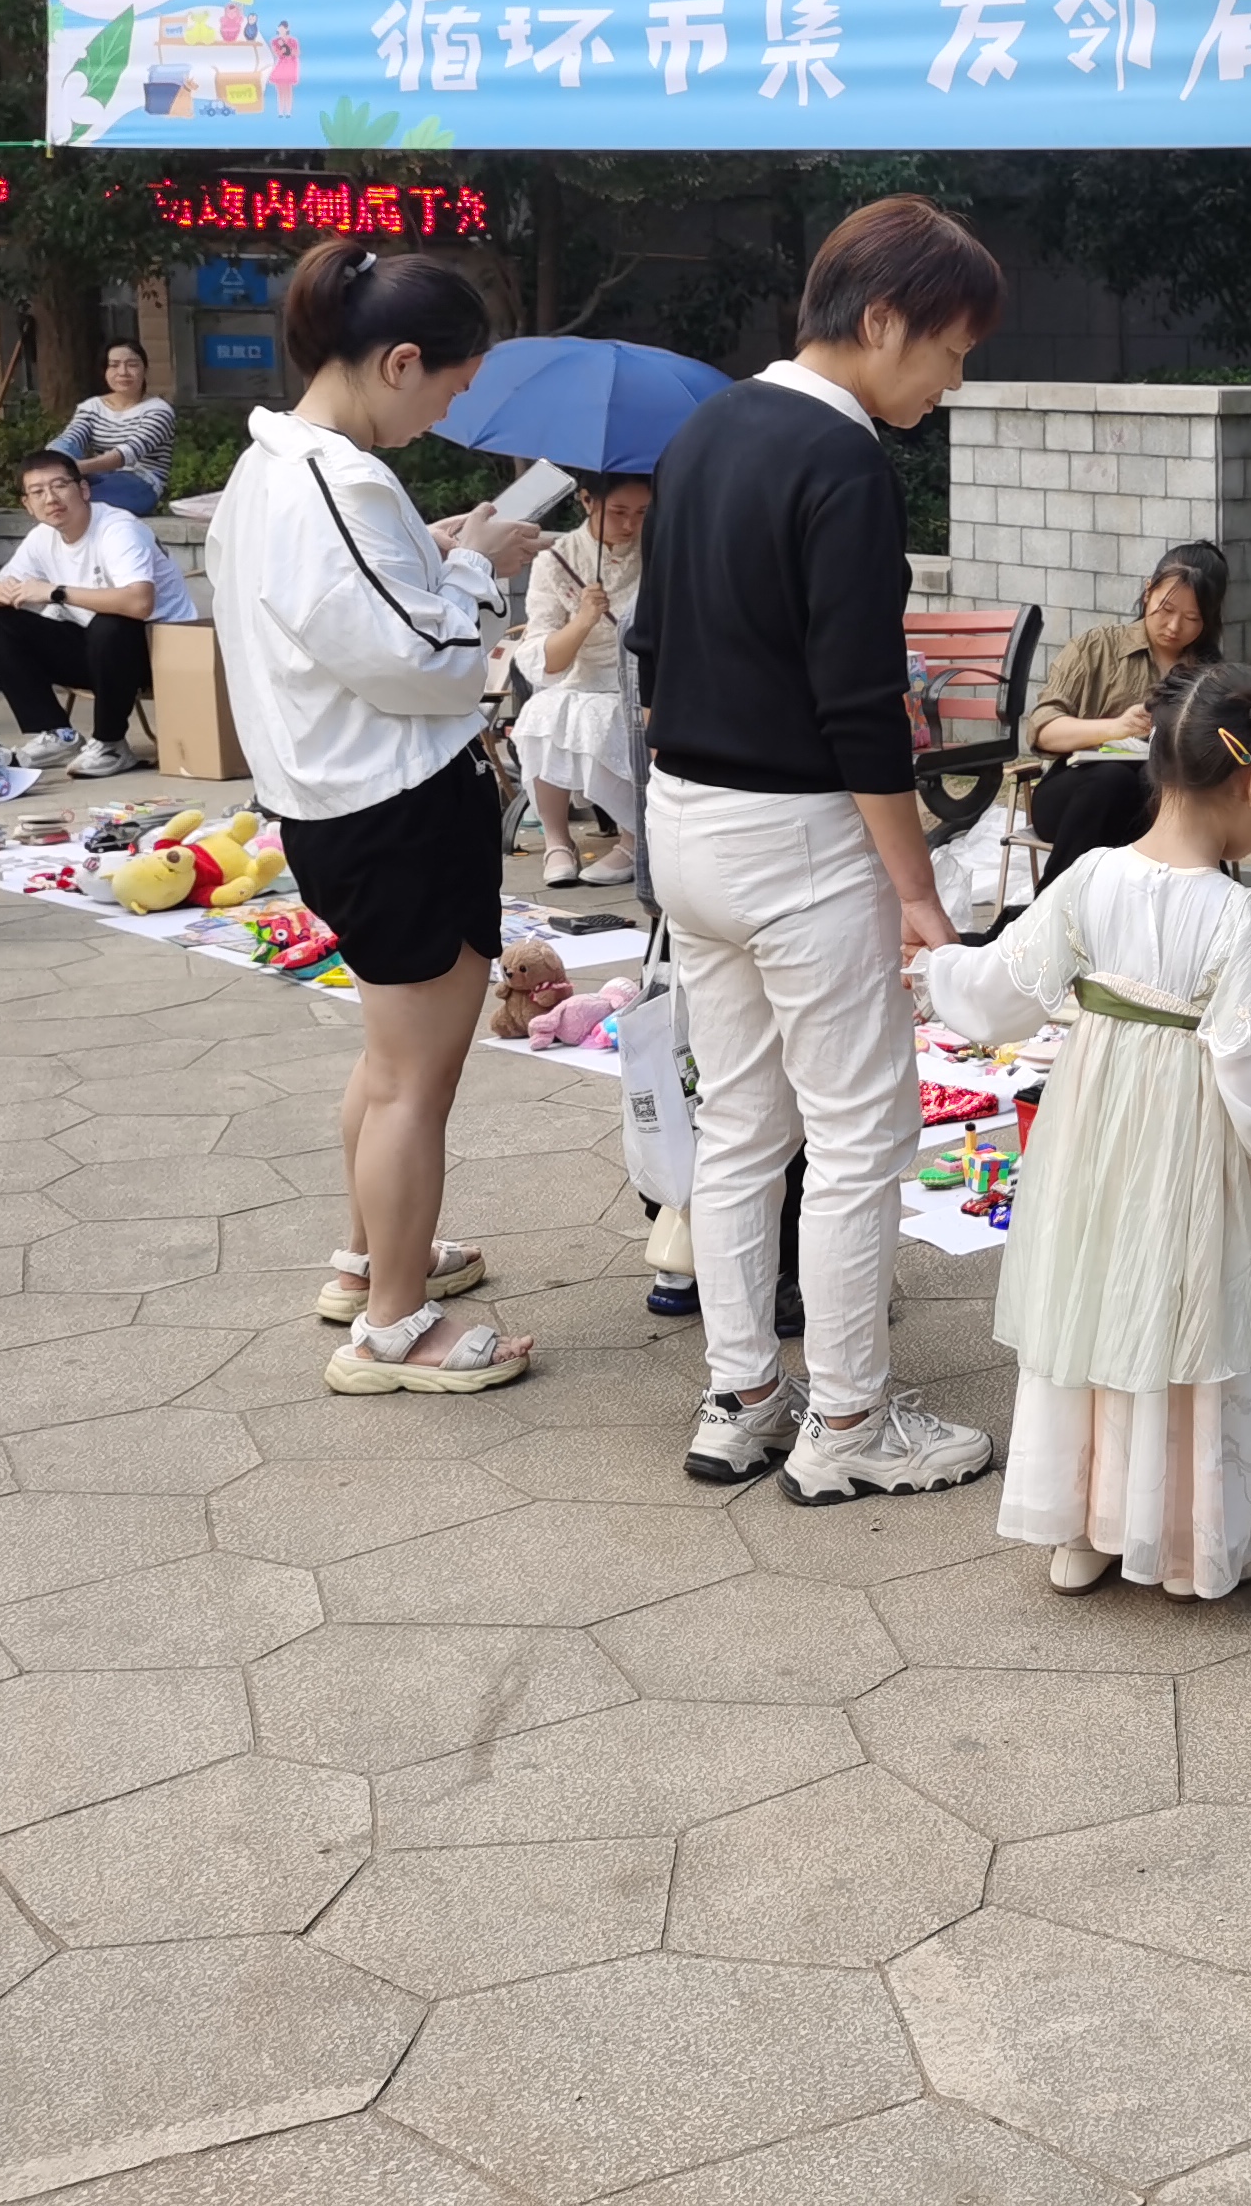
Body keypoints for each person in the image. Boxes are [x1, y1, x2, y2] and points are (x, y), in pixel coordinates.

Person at [639, 195, 1000, 1508]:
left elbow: (650, 650)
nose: (949, 386)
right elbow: (861, 711)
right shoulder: (844, 463)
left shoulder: (705, 429)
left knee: (740, 1125)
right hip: (797, 839)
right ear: (885, 319)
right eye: (949, 353)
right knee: (856, 1137)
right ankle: (846, 1420)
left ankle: (742, 1399)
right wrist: (919, 892)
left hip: (685, 821)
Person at [920, 662, 1251, 1594]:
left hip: (1091, 1137)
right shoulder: (1241, 919)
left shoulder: (1090, 877)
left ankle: (1080, 1526)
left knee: (1095, 1295)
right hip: (1194, 1154)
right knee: (1193, 1310)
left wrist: (934, 967)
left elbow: (998, 996)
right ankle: (1188, 1539)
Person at [209, 241, 542, 1398]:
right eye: (451, 385)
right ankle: (395, 1328)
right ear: (400, 361)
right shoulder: (335, 481)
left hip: (342, 803)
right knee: (415, 1082)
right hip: (395, 806)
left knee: (390, 1062)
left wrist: (435, 555)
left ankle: (370, 1262)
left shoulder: (276, 472)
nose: (448, 411)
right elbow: (431, 663)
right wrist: (482, 567)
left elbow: (355, 620)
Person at [0, 447, 197, 781]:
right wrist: (0, 592)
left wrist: (55, 592)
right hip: (96, 653)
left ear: (83, 490)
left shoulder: (117, 529)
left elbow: (140, 603)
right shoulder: (42, 538)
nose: (51, 498)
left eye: (59, 486)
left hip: (158, 653)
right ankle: (57, 734)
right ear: (28, 504)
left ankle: (111, 744)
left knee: (111, 624)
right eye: (38, 492)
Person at [1022, 540, 1226, 880]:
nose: (1174, 626)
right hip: (1075, 797)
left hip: (1157, 806)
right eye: (1166, 609)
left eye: (1192, 618)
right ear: (1148, 591)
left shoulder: (1211, 676)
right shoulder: (1097, 647)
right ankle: (1053, 900)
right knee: (1113, 778)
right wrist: (1117, 727)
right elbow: (1043, 730)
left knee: (1169, 795)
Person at [512, 471, 649, 887]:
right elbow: (543, 657)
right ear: (588, 501)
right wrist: (585, 619)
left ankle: (634, 839)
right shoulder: (556, 560)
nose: (630, 525)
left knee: (610, 715)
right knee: (542, 714)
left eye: (642, 513)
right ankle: (557, 840)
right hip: (580, 676)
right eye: (619, 512)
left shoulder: (660, 550)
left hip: (643, 674)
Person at [49, 341, 179, 515]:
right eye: (114, 365)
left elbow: (127, 454)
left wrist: (73, 469)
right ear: (105, 371)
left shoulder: (159, 410)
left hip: (140, 483)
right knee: (61, 455)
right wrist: (52, 462)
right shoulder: (92, 407)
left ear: (145, 370)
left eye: (132, 365)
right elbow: (72, 437)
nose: (123, 372)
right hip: (98, 475)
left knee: (76, 500)